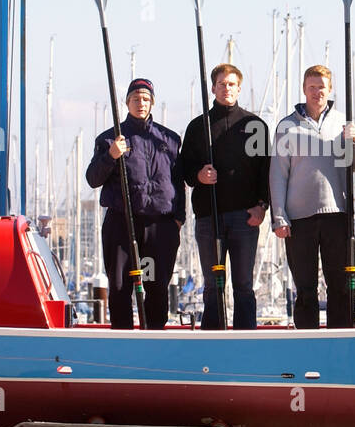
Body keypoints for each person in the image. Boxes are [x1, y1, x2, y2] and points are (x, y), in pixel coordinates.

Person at [85, 77, 184, 330]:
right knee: (119, 286)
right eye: (136, 99)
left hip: (159, 225)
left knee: (157, 285)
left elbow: (178, 180)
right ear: (127, 102)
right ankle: (122, 338)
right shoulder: (109, 139)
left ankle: (154, 336)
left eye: (146, 99)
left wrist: (179, 217)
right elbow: (93, 179)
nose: (141, 103)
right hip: (122, 223)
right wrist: (110, 156)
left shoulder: (169, 139)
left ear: (152, 103)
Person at [179, 63, 270, 330]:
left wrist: (262, 206)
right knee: (212, 284)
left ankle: (245, 339)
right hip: (209, 218)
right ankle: (212, 337)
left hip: (245, 218)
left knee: (243, 285)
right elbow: (184, 169)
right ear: (213, 88)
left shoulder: (255, 125)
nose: (226, 88)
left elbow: (266, 170)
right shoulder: (198, 127)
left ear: (239, 88)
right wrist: (199, 175)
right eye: (221, 84)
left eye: (231, 84)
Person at [271, 65, 355, 329]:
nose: (317, 92)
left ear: (329, 89)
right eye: (312, 87)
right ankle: (307, 343)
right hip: (299, 219)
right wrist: (279, 216)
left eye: (321, 86)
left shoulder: (343, 123)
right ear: (304, 89)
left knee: (340, 287)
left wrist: (353, 142)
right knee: (306, 289)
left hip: (337, 214)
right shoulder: (287, 126)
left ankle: (341, 345)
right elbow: (277, 174)